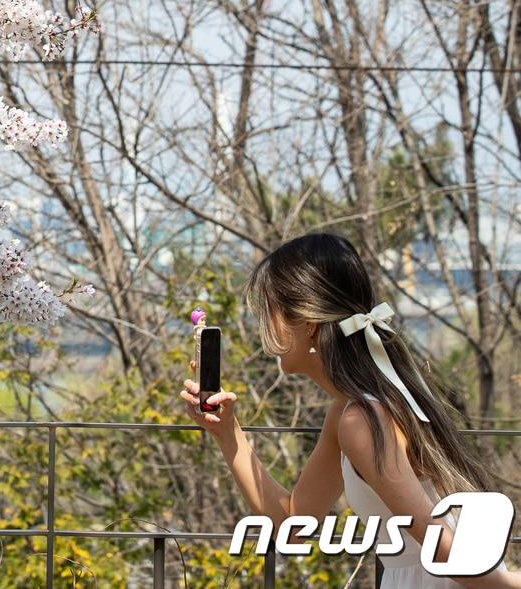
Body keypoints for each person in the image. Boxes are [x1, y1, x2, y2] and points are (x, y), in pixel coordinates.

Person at [182, 233, 518, 587]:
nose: (263, 330)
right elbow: (293, 527)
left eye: (271, 313)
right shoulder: (351, 411)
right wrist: (228, 432)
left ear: (308, 324)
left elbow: (450, 557)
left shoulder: (362, 420)